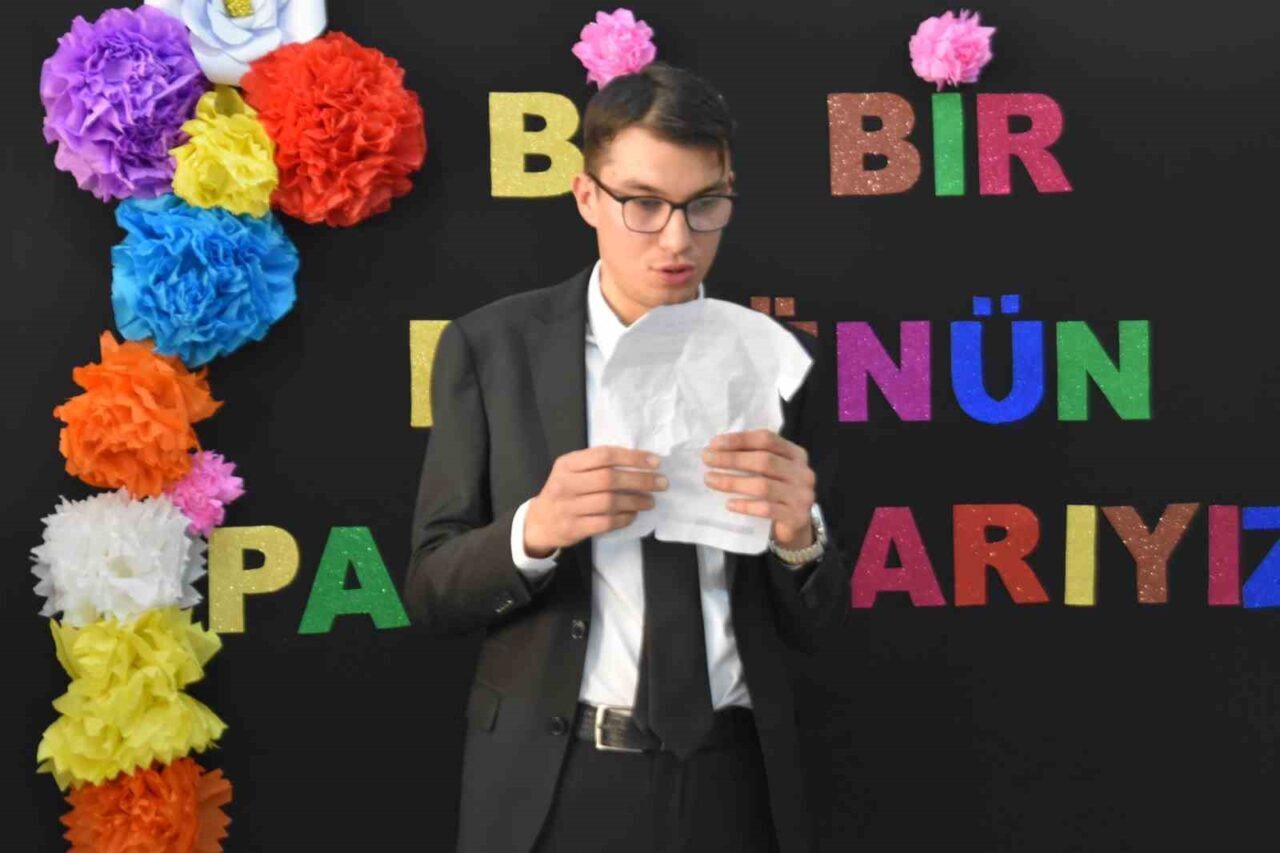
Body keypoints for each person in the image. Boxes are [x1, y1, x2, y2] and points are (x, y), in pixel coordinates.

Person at [403, 61, 850, 853]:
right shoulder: (492, 347)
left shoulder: (778, 360)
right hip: (557, 779)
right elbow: (431, 589)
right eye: (642, 204)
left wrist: (798, 537)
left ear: (729, 192)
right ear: (587, 197)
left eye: (704, 204)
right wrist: (534, 530)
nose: (678, 239)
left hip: (737, 777)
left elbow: (819, 625)